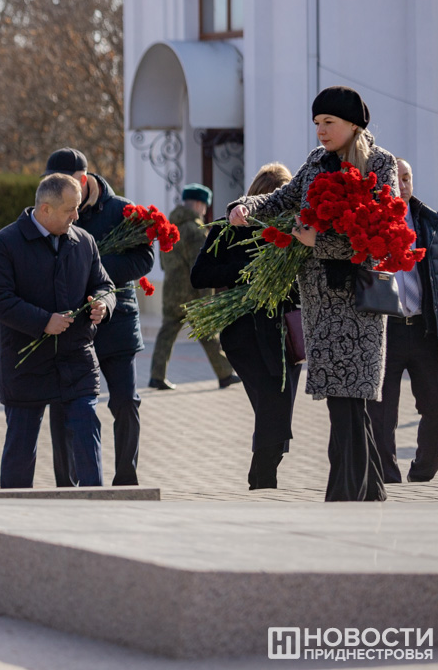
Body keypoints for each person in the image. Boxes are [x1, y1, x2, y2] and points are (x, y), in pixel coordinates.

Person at [229, 85, 392, 502]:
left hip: (358, 300)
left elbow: (378, 233)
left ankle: (345, 495)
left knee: (348, 399)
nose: (320, 130)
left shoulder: (379, 164)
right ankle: (370, 492)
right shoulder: (316, 162)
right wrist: (246, 206)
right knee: (345, 401)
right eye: (317, 122)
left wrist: (319, 241)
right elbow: (281, 198)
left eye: (329, 122)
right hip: (319, 300)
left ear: (353, 124)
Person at [0, 173, 115, 488]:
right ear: (45, 209)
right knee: (21, 444)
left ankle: (94, 501)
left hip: (77, 358)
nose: (77, 216)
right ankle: (13, 509)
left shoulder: (84, 241)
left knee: (87, 428)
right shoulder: (5, 243)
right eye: (70, 209)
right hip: (26, 363)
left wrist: (103, 303)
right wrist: (43, 321)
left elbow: (104, 284)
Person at [45, 148, 154, 486]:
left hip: (117, 321)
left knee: (125, 402)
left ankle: (126, 479)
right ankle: (67, 486)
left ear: (82, 179)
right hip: (72, 326)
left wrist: (94, 265)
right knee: (64, 405)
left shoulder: (122, 210)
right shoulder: (53, 209)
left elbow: (145, 259)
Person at [193, 163, 301, 489]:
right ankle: (263, 482)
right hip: (244, 333)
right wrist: (246, 271)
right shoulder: (229, 227)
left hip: (283, 333)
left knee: (276, 412)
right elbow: (199, 275)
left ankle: (262, 479)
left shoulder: (293, 227)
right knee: (273, 405)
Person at [368, 157, 438, 483]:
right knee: (382, 413)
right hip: (387, 330)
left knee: (437, 406)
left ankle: (422, 475)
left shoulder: (430, 222)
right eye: (395, 178)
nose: (402, 184)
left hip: (425, 329)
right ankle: (389, 479)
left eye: (407, 177)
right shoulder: (370, 222)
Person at [149, 184, 239, 391]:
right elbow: (200, 269)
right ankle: (225, 374)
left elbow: (163, 263)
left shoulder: (169, 228)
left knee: (166, 333)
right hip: (192, 293)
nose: (205, 211)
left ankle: (156, 376)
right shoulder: (195, 230)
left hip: (171, 291)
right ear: (198, 204)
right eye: (205, 206)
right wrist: (207, 298)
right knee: (208, 333)